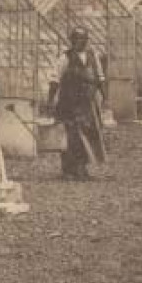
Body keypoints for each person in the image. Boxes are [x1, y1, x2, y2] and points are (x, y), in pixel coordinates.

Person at [49, 28, 107, 180]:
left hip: (88, 104)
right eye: (77, 39)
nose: (80, 42)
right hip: (69, 103)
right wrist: (50, 100)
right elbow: (55, 80)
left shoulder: (93, 57)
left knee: (88, 135)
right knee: (71, 136)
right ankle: (69, 170)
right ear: (72, 40)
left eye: (83, 39)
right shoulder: (64, 58)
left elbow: (100, 78)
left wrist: (104, 96)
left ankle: (82, 168)